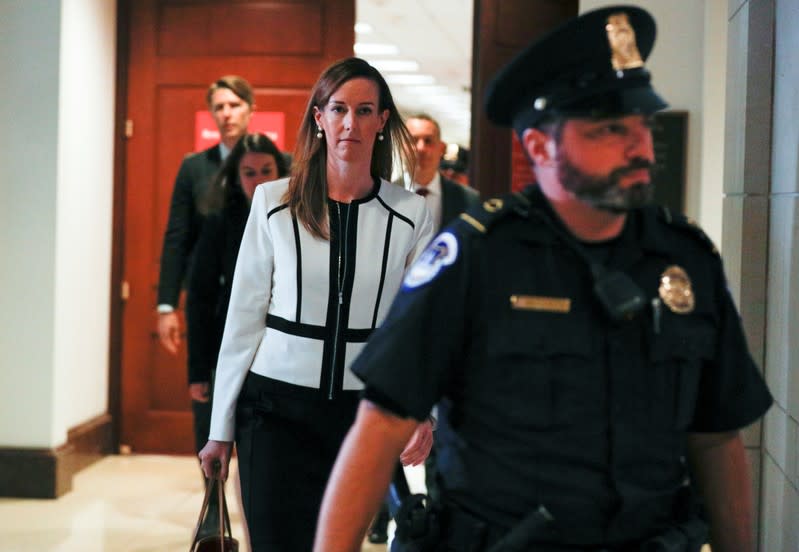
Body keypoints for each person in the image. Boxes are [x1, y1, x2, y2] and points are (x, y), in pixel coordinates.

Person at [314, 6, 773, 552]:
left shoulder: (686, 261)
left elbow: (718, 437)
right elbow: (380, 426)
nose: (640, 147)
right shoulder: (476, 258)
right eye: (609, 130)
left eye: (643, 126)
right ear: (539, 147)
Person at [198, 57, 437, 552]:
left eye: (365, 110)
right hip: (272, 411)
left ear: (382, 120)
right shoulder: (272, 202)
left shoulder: (411, 215)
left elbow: (420, 328)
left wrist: (423, 412)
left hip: (360, 415)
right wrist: (220, 428)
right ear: (319, 118)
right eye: (339, 109)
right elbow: (242, 319)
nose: (351, 123)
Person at [368, 113, 481, 545]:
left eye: (428, 140)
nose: (420, 147)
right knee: (383, 426)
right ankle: (383, 509)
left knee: (437, 428)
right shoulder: (381, 199)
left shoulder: (468, 201)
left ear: (439, 147)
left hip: (449, 336)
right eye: (412, 139)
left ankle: (435, 511)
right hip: (389, 332)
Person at [186, 133, 288, 547]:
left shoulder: (294, 214)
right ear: (235, 177)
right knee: (219, 453)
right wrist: (197, 370)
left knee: (262, 463)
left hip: (276, 354)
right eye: (249, 173)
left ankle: (256, 536)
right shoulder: (219, 219)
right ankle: (228, 531)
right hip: (224, 351)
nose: (258, 180)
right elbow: (200, 298)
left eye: (267, 171)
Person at [156, 75, 255, 449]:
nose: (227, 113)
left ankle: (252, 500)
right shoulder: (195, 168)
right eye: (219, 107)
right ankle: (213, 499)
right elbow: (177, 238)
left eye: (235, 105)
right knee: (208, 404)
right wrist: (167, 305)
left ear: (250, 109)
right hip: (209, 306)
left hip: (263, 305)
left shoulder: (275, 165)